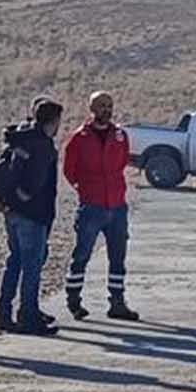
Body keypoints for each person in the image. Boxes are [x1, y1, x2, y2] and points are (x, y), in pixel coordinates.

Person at [61, 90, 140, 321]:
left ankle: (117, 302)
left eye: (109, 105)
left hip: (116, 205)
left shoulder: (120, 136)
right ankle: (74, 300)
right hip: (92, 206)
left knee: (118, 256)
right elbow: (69, 170)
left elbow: (123, 161)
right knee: (82, 254)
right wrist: (85, 188)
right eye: (101, 105)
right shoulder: (79, 138)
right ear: (92, 109)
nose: (106, 109)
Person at [0, 97, 65, 336]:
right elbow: (37, 181)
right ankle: (29, 315)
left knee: (14, 261)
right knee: (32, 265)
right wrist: (24, 199)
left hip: (11, 211)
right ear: (52, 122)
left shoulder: (19, 138)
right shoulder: (42, 145)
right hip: (32, 213)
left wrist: (10, 201)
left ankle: (5, 313)